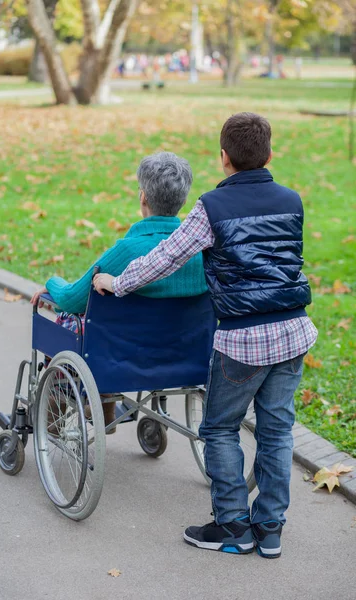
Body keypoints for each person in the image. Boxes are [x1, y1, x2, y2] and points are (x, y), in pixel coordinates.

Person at [93, 113, 318, 558]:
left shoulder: (211, 208)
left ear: (223, 159)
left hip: (243, 340)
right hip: (293, 331)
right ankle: (269, 529)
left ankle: (233, 524)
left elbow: (165, 258)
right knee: (277, 432)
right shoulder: (292, 201)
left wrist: (116, 283)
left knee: (218, 428)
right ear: (270, 155)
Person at [30, 151, 207, 432]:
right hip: (181, 355)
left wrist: (52, 283)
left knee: (69, 322)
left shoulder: (127, 251)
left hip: (121, 357)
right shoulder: (200, 253)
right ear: (183, 200)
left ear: (143, 198)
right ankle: (102, 403)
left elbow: (73, 300)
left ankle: (61, 401)